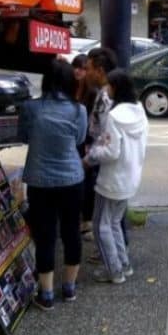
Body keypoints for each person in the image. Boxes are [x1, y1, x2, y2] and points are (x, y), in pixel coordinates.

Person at [18, 59, 87, 310]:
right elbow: (79, 139)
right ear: (70, 81)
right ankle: (69, 289)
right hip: (72, 179)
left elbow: (23, 136)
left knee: (45, 236)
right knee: (71, 233)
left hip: (39, 181)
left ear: (46, 80)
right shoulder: (79, 110)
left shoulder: (30, 107)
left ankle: (46, 295)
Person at [83, 69, 149, 283]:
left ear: (116, 88)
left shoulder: (114, 116)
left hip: (111, 181)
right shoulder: (139, 110)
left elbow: (111, 152)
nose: (106, 90)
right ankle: (123, 264)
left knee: (100, 224)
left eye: (109, 86)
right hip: (130, 178)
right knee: (114, 222)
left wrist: (91, 155)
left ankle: (114, 270)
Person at [72, 54, 97, 241]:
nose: (78, 71)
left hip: (87, 142)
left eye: (83, 68)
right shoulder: (71, 88)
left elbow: (93, 121)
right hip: (74, 140)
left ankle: (87, 219)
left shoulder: (93, 92)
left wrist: (89, 142)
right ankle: (80, 217)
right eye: (76, 67)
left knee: (87, 180)